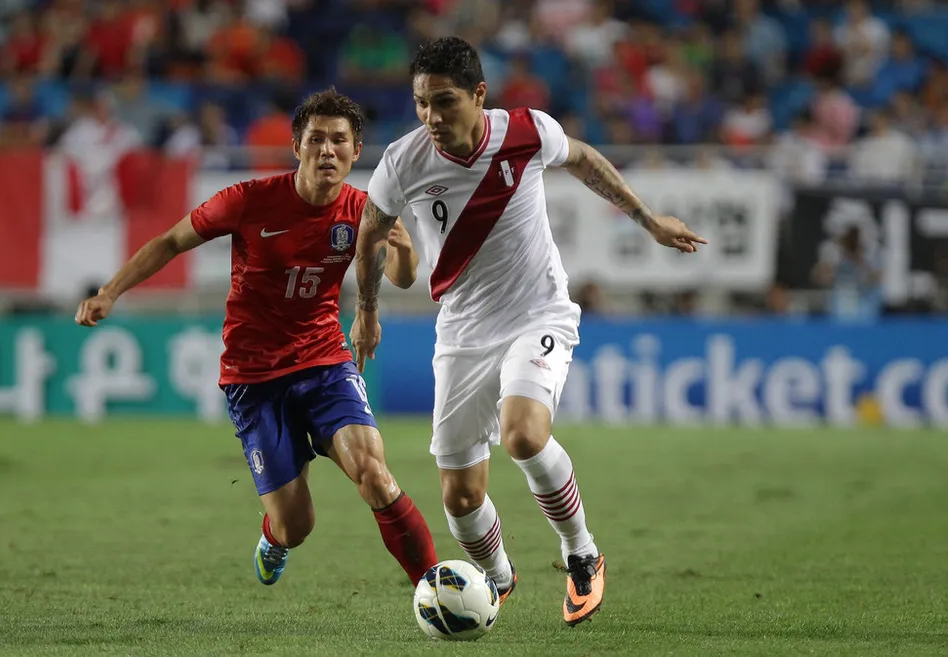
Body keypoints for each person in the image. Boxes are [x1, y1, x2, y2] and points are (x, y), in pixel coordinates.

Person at [351, 37, 706, 626]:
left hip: (537, 314)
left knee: (522, 434)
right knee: (459, 498)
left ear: (478, 95)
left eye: (444, 102)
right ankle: (496, 579)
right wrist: (367, 310)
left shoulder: (525, 131)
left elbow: (585, 160)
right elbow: (370, 233)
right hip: (462, 333)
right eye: (421, 103)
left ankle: (582, 554)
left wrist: (649, 220)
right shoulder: (404, 161)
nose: (432, 117)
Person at [74, 88, 439, 587]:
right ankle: (274, 536)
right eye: (316, 140)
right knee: (297, 524)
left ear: (356, 152)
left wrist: (399, 247)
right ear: (296, 147)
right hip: (254, 376)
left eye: (339, 140)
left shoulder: (364, 210)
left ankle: (434, 587)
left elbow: (401, 276)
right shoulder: (248, 201)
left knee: (374, 472)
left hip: (324, 360)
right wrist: (110, 292)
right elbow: (170, 241)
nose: (326, 150)